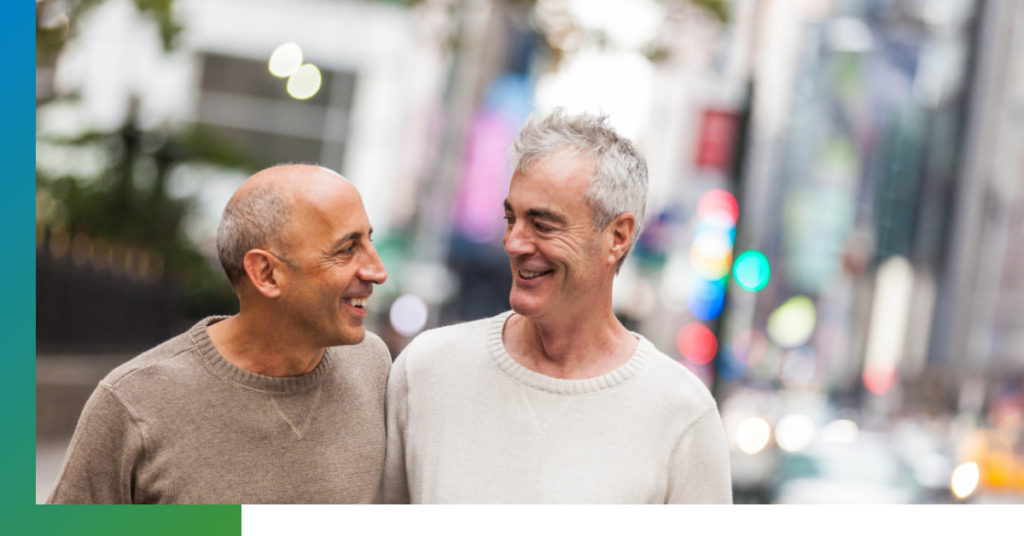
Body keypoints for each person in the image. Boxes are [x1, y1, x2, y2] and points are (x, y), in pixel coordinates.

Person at [382, 109, 732, 503]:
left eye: (543, 224)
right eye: (510, 218)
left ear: (617, 236)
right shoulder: (428, 369)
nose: (514, 243)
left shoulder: (681, 412)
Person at [48, 164, 391, 504]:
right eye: (347, 249)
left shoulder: (373, 366)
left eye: (369, 240)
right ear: (267, 273)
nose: (378, 271)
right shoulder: (132, 402)